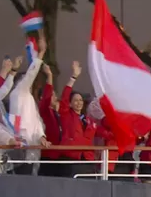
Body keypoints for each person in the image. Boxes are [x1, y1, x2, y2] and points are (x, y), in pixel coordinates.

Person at [8, 33, 51, 174]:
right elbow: (30, 75)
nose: (30, 84)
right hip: (20, 146)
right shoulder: (18, 92)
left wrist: (42, 136)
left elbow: (36, 121)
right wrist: (41, 53)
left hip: (32, 148)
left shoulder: (29, 97)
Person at [59, 61, 98, 178]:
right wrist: (73, 77)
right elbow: (64, 97)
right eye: (76, 100)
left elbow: (101, 132)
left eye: (81, 100)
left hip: (87, 160)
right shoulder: (67, 115)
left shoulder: (89, 120)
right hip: (72, 159)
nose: (79, 102)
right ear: (70, 104)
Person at [37, 64, 64, 177]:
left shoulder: (55, 112)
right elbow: (47, 96)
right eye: (53, 95)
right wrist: (49, 76)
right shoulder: (44, 110)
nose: (55, 97)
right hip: (48, 155)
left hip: (58, 155)